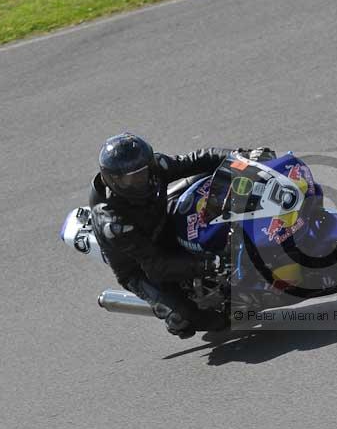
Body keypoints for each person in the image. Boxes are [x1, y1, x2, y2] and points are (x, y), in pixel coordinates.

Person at [90, 132, 265, 339]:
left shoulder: (155, 169)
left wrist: (241, 157)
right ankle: (174, 311)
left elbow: (196, 159)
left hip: (163, 222)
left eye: (143, 172)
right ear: (113, 180)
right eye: (131, 179)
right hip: (140, 264)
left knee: (209, 176)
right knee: (188, 319)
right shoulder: (114, 222)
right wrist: (209, 264)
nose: (140, 181)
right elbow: (156, 266)